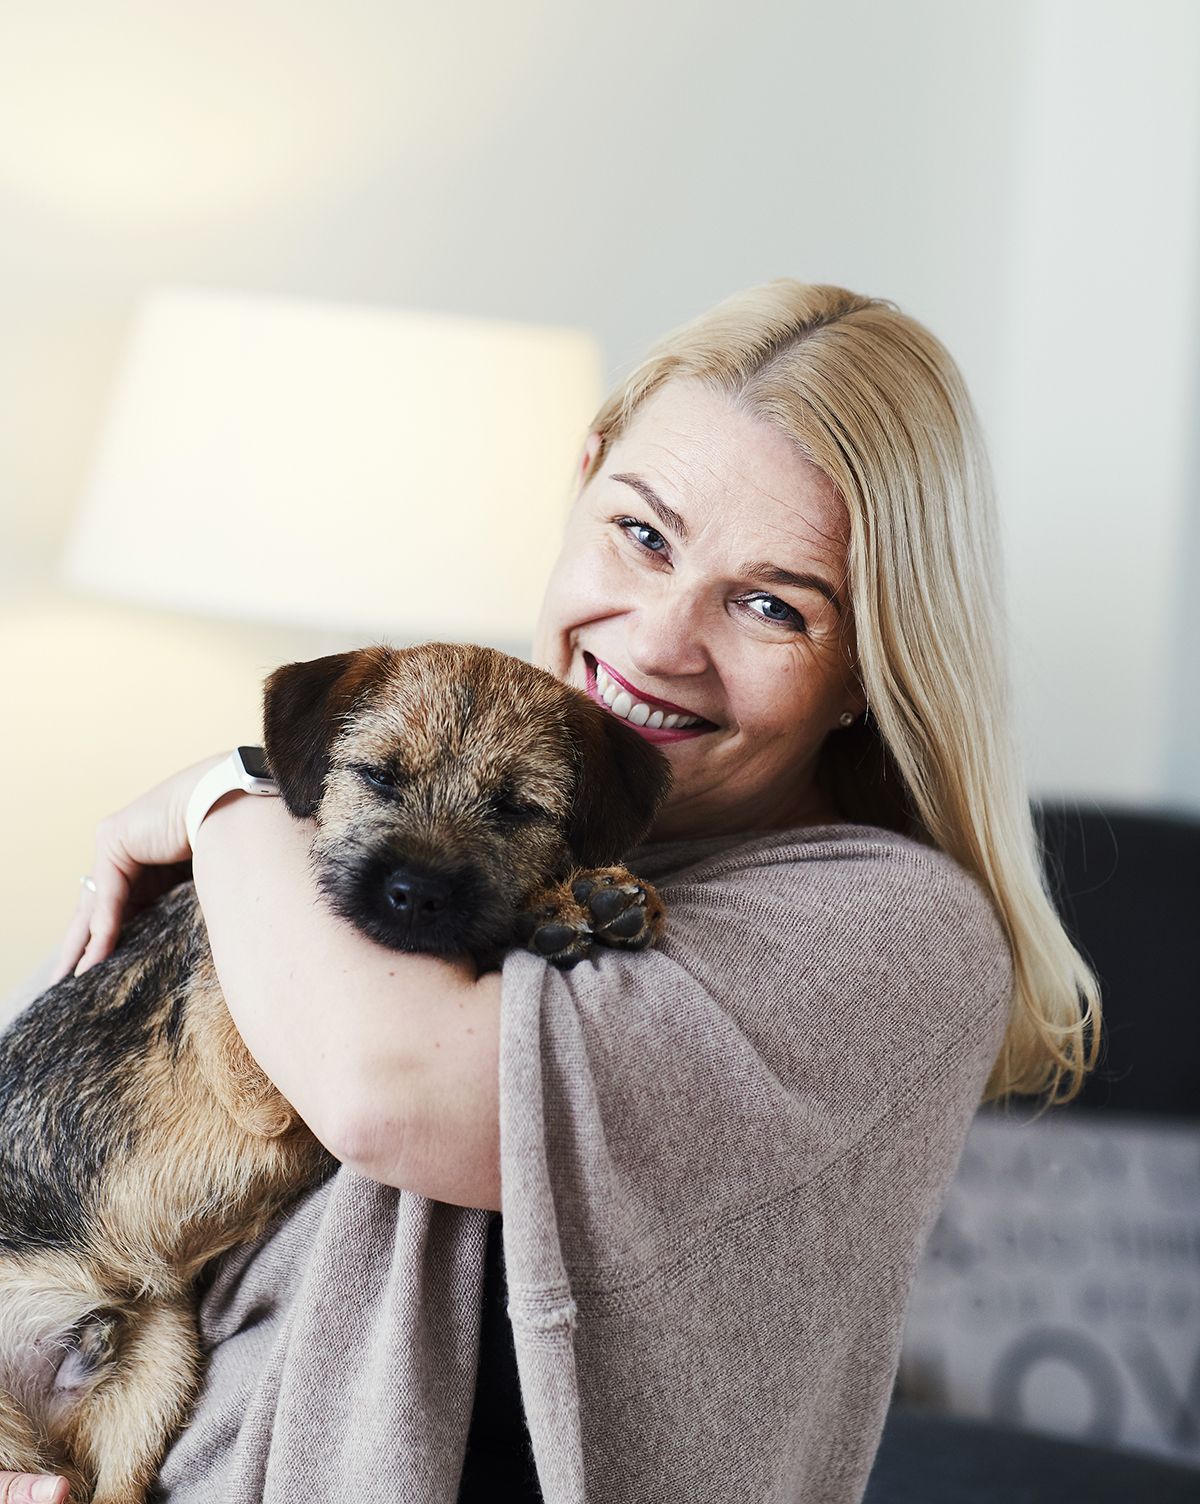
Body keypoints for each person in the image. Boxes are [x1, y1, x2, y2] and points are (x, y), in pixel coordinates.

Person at [3, 279, 1101, 1504]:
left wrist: (224, 795)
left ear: (870, 664)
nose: (656, 639)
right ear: (580, 481)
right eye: (642, 532)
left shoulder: (893, 928)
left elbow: (390, 1089)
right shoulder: (511, 861)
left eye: (769, 603)